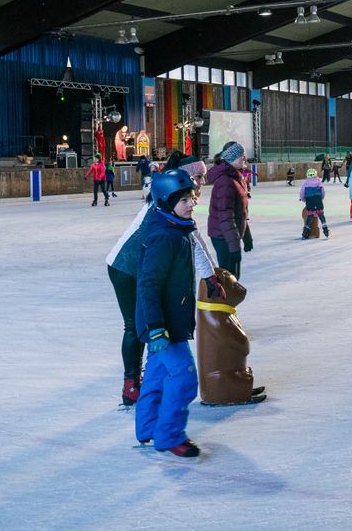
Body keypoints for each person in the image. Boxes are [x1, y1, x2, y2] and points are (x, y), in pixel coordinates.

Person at [135, 169, 202, 462]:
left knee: (157, 374)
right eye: (183, 199)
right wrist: (157, 327)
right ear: (165, 201)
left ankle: (148, 426)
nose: (191, 204)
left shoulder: (176, 229)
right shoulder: (165, 236)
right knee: (184, 376)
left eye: (191, 197)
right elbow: (148, 284)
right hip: (162, 324)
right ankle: (169, 435)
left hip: (164, 320)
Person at [105, 176, 158, 407]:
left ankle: (135, 381)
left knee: (140, 325)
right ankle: (131, 384)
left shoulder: (167, 201)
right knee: (133, 325)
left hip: (129, 266)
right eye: (197, 177)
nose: (201, 182)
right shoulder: (162, 206)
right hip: (124, 268)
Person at [206, 141, 252, 278]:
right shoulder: (226, 182)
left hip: (229, 236)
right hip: (224, 237)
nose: (244, 159)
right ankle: (222, 299)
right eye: (241, 156)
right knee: (229, 279)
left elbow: (240, 212)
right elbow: (225, 216)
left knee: (233, 278)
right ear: (231, 159)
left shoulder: (235, 177)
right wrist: (233, 246)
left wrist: (246, 235)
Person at [299, 168, 329, 239]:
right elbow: (323, 193)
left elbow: (302, 194)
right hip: (318, 201)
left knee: (310, 216)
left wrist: (304, 200)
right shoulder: (319, 183)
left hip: (310, 202)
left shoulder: (305, 184)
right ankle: (325, 227)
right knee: (321, 214)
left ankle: (305, 232)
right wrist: (320, 199)